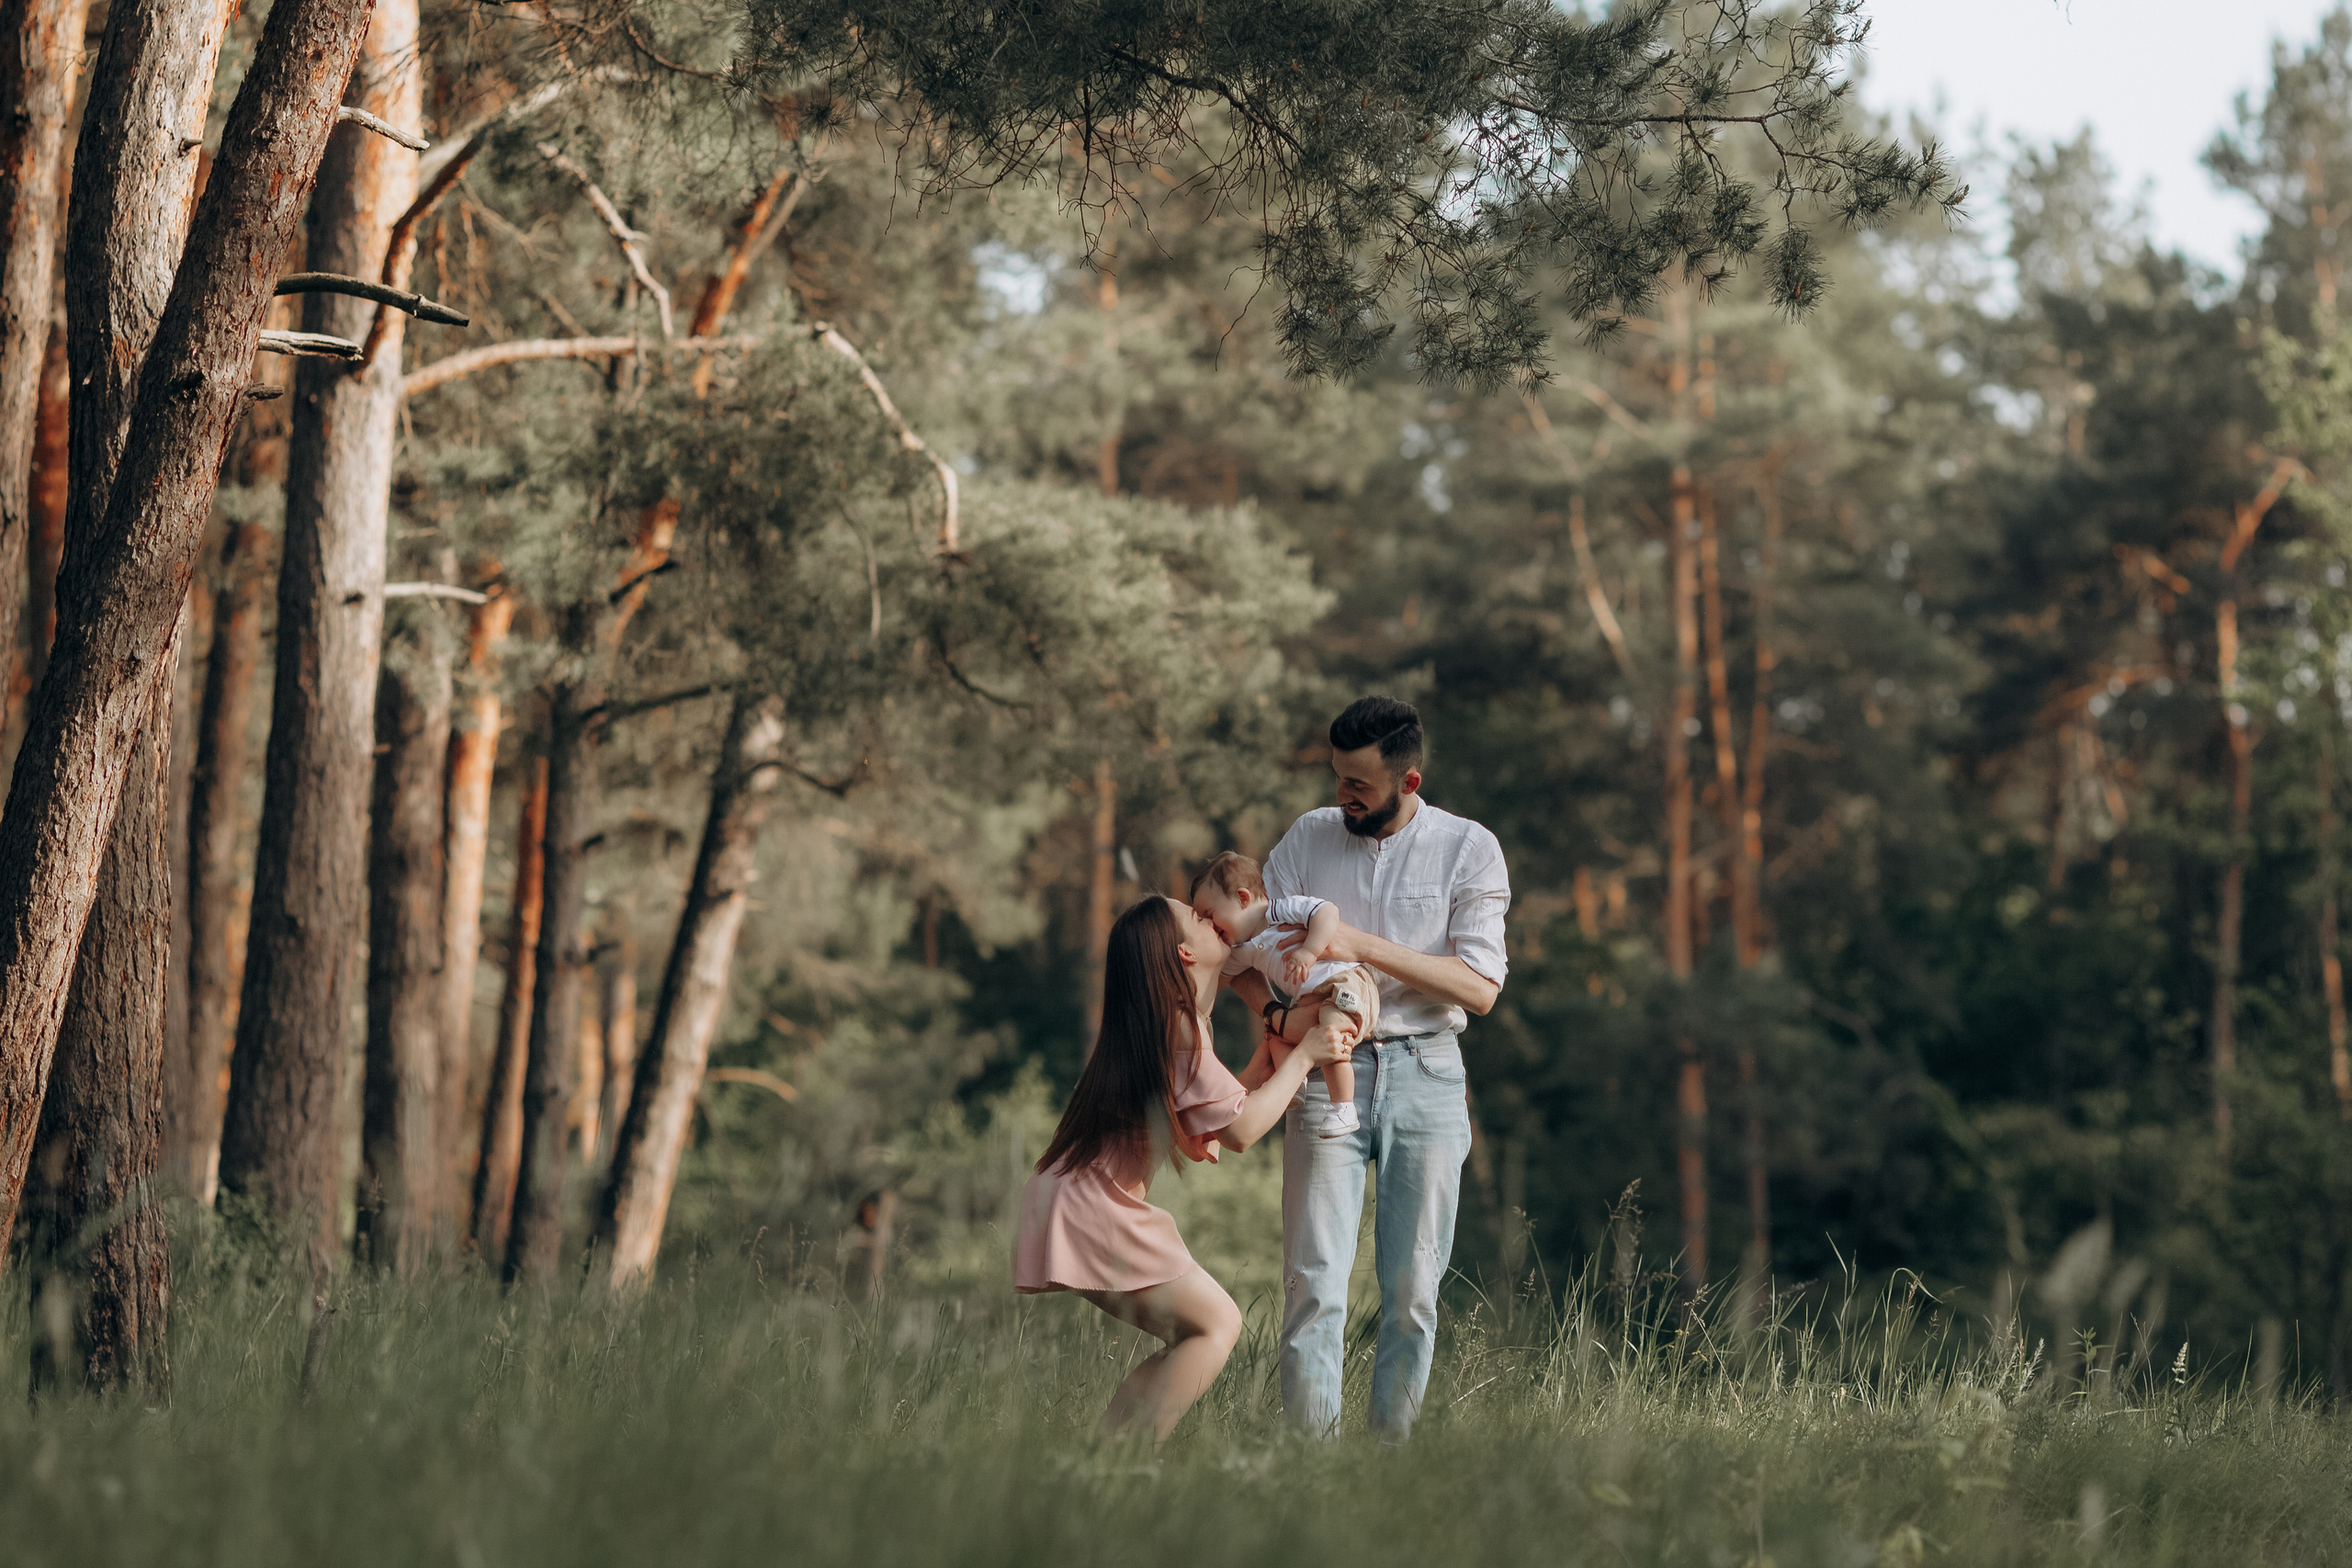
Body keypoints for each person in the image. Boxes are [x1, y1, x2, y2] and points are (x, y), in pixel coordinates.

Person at [1227, 695, 1510, 1440]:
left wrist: (1358, 943)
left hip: (1429, 1073)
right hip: (1322, 1069)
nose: (1341, 796)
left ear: (1408, 781)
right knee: (1313, 1281)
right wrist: (1275, 1016)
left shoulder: (1468, 847)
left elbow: (1480, 987)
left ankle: (1388, 1464)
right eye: (1337, 776)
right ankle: (1309, 1468)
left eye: (1359, 784)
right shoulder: (1307, 839)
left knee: (1413, 1289)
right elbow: (1252, 950)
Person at [1012, 896, 1360, 1442]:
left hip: (1065, 1192)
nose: (1211, 915)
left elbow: (1213, 1116)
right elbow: (1242, 1133)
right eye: (1197, 917)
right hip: (1090, 1201)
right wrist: (1305, 1056)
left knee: (1196, 1333)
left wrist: (1257, 1077)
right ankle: (1126, 1465)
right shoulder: (1179, 1027)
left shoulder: (1167, 1023)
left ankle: (1102, 1457)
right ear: (1184, 953)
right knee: (1218, 1324)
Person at [1189, 851, 1375, 1138]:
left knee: (1329, 1033)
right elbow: (1217, 981)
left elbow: (1327, 913)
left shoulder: (1279, 911)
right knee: (1276, 1032)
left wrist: (1310, 950)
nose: (1212, 927)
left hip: (1346, 982)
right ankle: (1292, 1086)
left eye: (1211, 916)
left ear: (1243, 898)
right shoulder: (1241, 950)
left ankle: (1343, 1107)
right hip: (1311, 998)